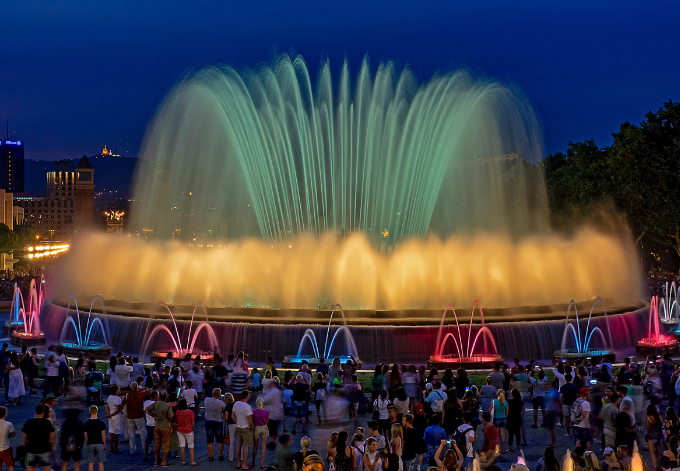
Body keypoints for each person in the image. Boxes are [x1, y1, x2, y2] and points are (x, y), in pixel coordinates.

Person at [145, 391, 174, 467]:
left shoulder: (156, 404)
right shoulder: (167, 406)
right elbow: (171, 418)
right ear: (166, 397)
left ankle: (156, 460)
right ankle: (164, 461)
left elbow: (147, 409)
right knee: (165, 443)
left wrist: (154, 415)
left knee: (157, 443)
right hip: (165, 426)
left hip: (157, 425)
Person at [23, 404, 56, 471]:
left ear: (35, 412)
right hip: (45, 448)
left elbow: (24, 436)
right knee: (47, 467)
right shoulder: (47, 422)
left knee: (30, 467)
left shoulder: (29, 422)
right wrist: (51, 446)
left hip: (31, 448)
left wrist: (25, 445)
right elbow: (52, 436)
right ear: (43, 412)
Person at [122, 381, 150, 456]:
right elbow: (148, 392)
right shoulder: (140, 395)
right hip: (139, 415)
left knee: (131, 434)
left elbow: (122, 404)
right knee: (143, 433)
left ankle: (132, 450)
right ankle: (146, 449)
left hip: (130, 416)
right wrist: (141, 389)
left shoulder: (127, 395)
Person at [232, 389, 254, 470]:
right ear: (247, 397)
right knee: (246, 446)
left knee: (238, 445)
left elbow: (232, 415)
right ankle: (244, 464)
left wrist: (236, 422)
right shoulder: (248, 407)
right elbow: (250, 421)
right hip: (246, 428)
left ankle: (239, 463)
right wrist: (251, 428)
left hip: (239, 427)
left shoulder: (236, 404)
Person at [204, 388, 225, 462]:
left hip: (209, 420)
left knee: (210, 440)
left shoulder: (207, 400)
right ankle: (220, 455)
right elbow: (224, 410)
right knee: (219, 440)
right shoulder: (221, 403)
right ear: (219, 395)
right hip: (218, 421)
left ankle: (211, 456)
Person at [83, 405, 106, 471]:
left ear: (90, 412)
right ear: (96, 411)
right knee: (100, 462)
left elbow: (86, 436)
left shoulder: (86, 423)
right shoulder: (101, 423)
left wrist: (87, 443)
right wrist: (104, 445)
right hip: (99, 443)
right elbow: (103, 436)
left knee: (90, 462)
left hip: (90, 443)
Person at [175, 399, 196, 466]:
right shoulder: (190, 412)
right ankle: (192, 461)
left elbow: (176, 421)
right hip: (189, 430)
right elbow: (192, 421)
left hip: (180, 430)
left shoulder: (177, 412)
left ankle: (183, 461)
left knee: (182, 445)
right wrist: (192, 428)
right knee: (191, 445)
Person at [252, 396, 270, 469]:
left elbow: (253, 420)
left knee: (255, 446)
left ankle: (253, 461)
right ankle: (262, 463)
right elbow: (267, 421)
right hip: (264, 427)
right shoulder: (267, 411)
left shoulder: (254, 411)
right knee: (263, 446)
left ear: (256, 403)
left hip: (257, 428)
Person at [104, 386, 122, 454]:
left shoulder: (109, 397)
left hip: (110, 416)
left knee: (111, 432)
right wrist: (111, 414)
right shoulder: (118, 399)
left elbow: (107, 406)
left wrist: (108, 413)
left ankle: (111, 447)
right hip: (116, 416)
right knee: (116, 433)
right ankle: (116, 448)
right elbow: (117, 410)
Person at [646, 403, 663, 470]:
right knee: (658, 454)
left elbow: (648, 427)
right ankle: (660, 467)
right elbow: (661, 424)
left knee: (653, 455)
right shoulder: (659, 416)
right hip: (659, 436)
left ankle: (656, 469)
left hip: (651, 437)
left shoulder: (648, 417)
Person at [143, 390, 158, 462]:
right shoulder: (157, 404)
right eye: (157, 395)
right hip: (156, 424)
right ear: (155, 396)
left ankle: (146, 455)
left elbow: (145, 410)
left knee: (147, 441)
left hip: (148, 423)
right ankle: (156, 456)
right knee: (157, 441)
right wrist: (154, 415)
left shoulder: (146, 402)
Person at [0, 407, 15, 471]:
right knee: (11, 465)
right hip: (6, 448)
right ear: (5, 414)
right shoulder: (8, 424)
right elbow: (13, 434)